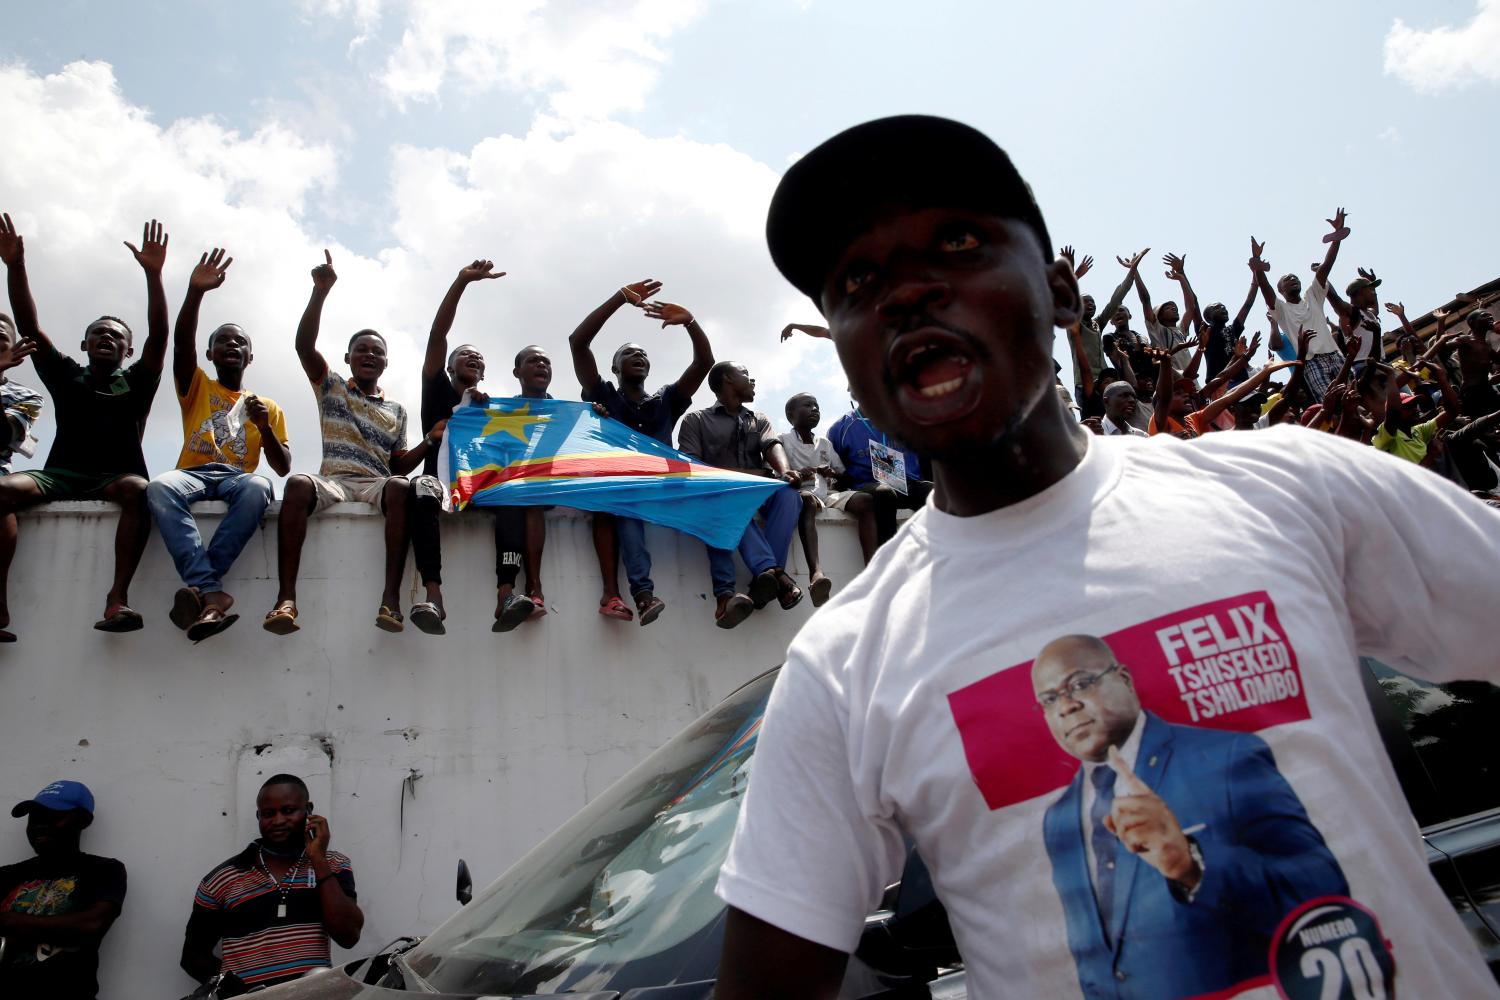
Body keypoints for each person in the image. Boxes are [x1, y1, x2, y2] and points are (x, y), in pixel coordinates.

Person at [714, 115, 1500, 1000]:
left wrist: (1191, 867)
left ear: (1061, 294)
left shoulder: (1291, 487)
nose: (906, 294)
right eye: (858, 282)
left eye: (959, 242)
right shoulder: (841, 668)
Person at [1033, 634, 1348, 998]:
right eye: (1050, 699)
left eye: (1081, 684)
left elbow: (1321, 891)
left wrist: (1191, 863)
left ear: (1124, 679)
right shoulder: (1057, 820)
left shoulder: (1225, 755)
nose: (1066, 706)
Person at [0, 214, 169, 636]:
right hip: (60, 476)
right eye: (98, 333)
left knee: (140, 491)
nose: (106, 338)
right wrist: (15, 266)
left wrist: (154, 275)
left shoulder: (136, 382)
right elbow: (29, 326)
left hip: (113, 478)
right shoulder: (67, 376)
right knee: (2, 490)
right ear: (84, 344)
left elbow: (161, 336)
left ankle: (117, 600)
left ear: (128, 351)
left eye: (115, 336)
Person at [265, 251, 439, 635]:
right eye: (362, 349)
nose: (370, 355)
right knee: (295, 484)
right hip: (335, 479)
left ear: (386, 363)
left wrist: (429, 441)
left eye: (377, 351)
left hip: (375, 482)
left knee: (400, 487)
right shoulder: (332, 387)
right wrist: (320, 292)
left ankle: (390, 600)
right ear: (347, 357)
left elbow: (398, 466)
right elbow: (304, 347)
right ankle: (285, 599)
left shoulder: (396, 409)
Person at [146, 246, 291, 642]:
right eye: (222, 342)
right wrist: (195, 293)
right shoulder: (197, 386)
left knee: (259, 487)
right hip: (191, 473)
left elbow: (282, 467)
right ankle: (211, 592)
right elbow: (180, 345)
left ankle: (204, 589)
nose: (231, 346)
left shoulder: (269, 406)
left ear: (250, 355)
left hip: (234, 478)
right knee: (159, 487)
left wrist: (264, 426)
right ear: (210, 353)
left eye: (239, 342)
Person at [405, 259, 542, 635]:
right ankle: (433, 594)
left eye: (479, 357)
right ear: (448, 367)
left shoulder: (490, 410)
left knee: (511, 493)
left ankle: (506, 594)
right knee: (420, 489)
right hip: (439, 484)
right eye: (464, 354)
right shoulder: (436, 393)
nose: (474, 358)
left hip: (479, 486)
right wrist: (462, 281)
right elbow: (437, 335)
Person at [569, 280, 714, 625]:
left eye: (643, 354)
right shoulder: (603, 396)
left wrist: (691, 323)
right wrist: (619, 298)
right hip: (627, 487)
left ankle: (728, 591)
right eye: (628, 354)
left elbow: (704, 362)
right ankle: (643, 594)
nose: (638, 357)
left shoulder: (667, 400)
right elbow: (578, 343)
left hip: (666, 484)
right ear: (615, 368)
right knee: (624, 500)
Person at [181, 774, 362, 992]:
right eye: (268, 814)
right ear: (258, 816)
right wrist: (238, 991)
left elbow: (348, 935)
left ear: (309, 811)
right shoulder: (221, 880)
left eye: (288, 811)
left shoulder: (333, 864)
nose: (277, 821)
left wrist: (318, 860)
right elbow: (193, 957)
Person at [677, 361, 802, 628]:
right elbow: (692, 468)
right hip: (722, 493)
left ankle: (766, 575)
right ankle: (775, 575)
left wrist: (786, 471)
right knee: (733, 497)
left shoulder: (759, 419)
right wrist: (744, 476)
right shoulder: (696, 420)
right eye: (745, 374)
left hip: (758, 489)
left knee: (790, 494)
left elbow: (771, 445)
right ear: (727, 380)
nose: (752, 379)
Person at [1, 781, 125, 1000]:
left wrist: (9, 922)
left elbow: (90, 925)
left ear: (84, 820)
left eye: (52, 816)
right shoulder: (6, 875)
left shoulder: (104, 870)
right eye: (34, 818)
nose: (39, 825)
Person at [1251, 211, 1348, 401]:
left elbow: (1326, 267)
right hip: (1312, 363)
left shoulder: (1313, 296)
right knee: (1330, 404)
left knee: (1352, 397)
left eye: (1295, 277)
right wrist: (1258, 267)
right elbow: (1266, 290)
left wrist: (1337, 237)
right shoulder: (1281, 309)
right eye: (1287, 279)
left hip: (1336, 356)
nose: (1293, 279)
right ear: (1281, 290)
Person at [826, 403, 932, 552]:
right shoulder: (841, 427)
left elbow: (927, 459)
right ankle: (889, 561)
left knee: (933, 492)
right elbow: (837, 470)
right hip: (868, 486)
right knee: (884, 493)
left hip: (907, 484)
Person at [779, 392, 843, 606]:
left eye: (816, 406)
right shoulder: (782, 441)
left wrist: (831, 473)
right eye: (807, 405)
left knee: (865, 501)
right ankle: (816, 574)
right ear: (791, 415)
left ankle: (875, 569)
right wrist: (797, 473)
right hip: (802, 494)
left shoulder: (824, 443)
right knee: (806, 499)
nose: (815, 409)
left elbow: (843, 474)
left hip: (828, 495)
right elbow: (775, 474)